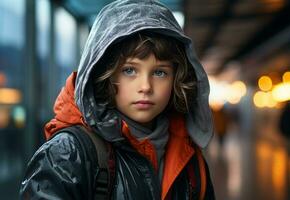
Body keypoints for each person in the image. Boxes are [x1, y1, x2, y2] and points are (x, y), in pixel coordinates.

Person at [20, 0, 215, 199]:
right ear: (105, 74)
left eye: (159, 72)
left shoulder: (190, 157)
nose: (146, 87)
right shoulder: (67, 154)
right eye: (129, 70)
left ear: (177, 78)